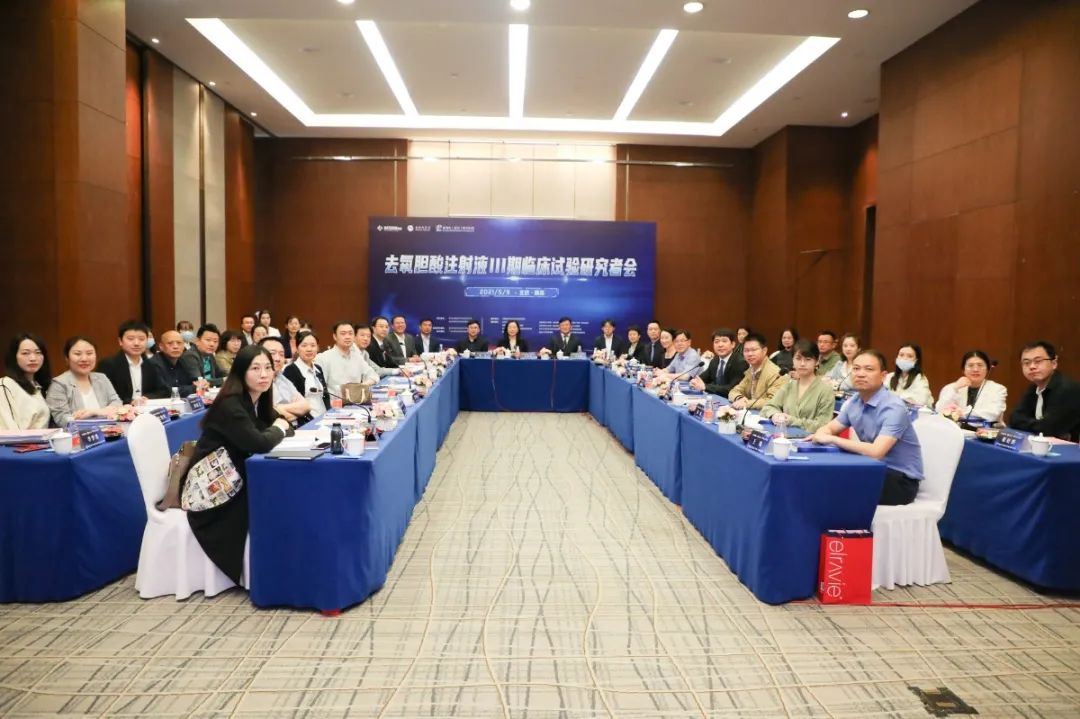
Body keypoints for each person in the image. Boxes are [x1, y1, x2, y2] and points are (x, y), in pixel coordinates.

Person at [183, 344, 291, 584]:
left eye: (268, 368)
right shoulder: (230, 404)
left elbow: (282, 427)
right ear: (241, 372)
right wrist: (278, 428)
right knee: (276, 495)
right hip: (214, 486)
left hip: (238, 473)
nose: (264, 374)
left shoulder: (258, 398)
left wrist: (278, 428)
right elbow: (261, 442)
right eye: (255, 368)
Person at [813, 349, 925, 506]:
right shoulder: (855, 401)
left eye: (869, 369)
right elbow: (828, 429)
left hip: (900, 480)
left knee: (835, 484)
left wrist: (832, 439)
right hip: (872, 468)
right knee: (822, 475)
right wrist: (824, 434)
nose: (860, 374)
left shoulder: (894, 407)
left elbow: (876, 452)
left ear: (883, 376)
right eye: (856, 368)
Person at [46, 336, 130, 426]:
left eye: (89, 353)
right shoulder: (59, 384)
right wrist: (105, 412)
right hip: (77, 434)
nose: (84, 359)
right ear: (67, 358)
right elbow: (62, 419)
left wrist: (95, 412)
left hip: (109, 431)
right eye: (77, 354)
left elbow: (117, 404)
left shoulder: (101, 378)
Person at [1008, 340, 1080, 441]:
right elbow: (1014, 419)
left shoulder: (1067, 389)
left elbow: (1048, 428)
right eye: (1026, 363)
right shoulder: (1033, 388)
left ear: (1054, 363)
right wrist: (1038, 424)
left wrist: (1031, 424)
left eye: (1038, 361)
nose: (1032, 367)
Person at [761, 339, 835, 432]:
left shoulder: (826, 391)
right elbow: (768, 407)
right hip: (784, 437)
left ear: (817, 362)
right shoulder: (789, 385)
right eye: (798, 359)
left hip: (810, 439)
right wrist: (775, 415)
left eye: (808, 359)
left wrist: (792, 421)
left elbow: (823, 425)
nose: (802, 364)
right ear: (793, 360)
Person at [98, 320, 170, 404]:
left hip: (146, 408)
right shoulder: (108, 365)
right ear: (120, 341)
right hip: (121, 410)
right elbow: (104, 396)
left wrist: (146, 398)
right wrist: (131, 402)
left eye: (141, 339)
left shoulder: (151, 364)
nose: (136, 343)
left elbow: (163, 391)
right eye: (130, 339)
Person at [935, 350, 1007, 423]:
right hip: (956, 428)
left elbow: (994, 414)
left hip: (987, 429)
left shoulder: (998, 389)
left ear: (987, 369)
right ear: (963, 370)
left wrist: (962, 412)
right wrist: (955, 389)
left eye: (980, 365)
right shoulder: (951, 387)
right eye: (970, 365)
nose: (975, 369)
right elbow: (939, 410)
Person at [1, 333, 52, 430]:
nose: (33, 358)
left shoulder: (39, 386)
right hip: (17, 440)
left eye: (38, 352)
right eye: (25, 353)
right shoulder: (6, 384)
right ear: (14, 356)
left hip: (42, 439)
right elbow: (8, 429)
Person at [317, 321, 379, 392]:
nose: (347, 337)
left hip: (356, 398)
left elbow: (374, 375)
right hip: (335, 398)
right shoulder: (324, 358)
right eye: (343, 334)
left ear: (354, 336)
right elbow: (320, 388)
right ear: (335, 336)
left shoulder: (357, 357)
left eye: (350, 333)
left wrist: (362, 386)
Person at [728, 333, 786, 410]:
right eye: (746, 350)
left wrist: (747, 403)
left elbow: (772, 401)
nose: (749, 354)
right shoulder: (750, 370)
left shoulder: (776, 374)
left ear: (764, 351)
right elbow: (734, 391)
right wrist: (739, 398)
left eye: (753, 350)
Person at [260, 337, 311, 423]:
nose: (278, 359)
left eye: (281, 354)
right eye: (272, 353)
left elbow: (306, 406)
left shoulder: (282, 377)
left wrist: (279, 409)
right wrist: (296, 411)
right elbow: (268, 416)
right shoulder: (259, 382)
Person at [283, 330, 329, 418]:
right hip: (306, 421)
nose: (309, 349)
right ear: (297, 348)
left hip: (324, 418)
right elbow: (291, 403)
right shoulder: (291, 370)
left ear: (317, 348)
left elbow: (325, 396)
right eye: (304, 346)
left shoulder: (318, 368)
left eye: (313, 345)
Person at [691, 328, 748, 397]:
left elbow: (732, 389)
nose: (720, 345)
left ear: (733, 344)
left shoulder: (740, 362)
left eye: (724, 341)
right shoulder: (715, 360)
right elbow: (703, 378)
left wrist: (706, 387)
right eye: (716, 342)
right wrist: (695, 381)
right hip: (716, 398)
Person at [149, 330, 202, 397]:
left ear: (183, 346)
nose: (175, 346)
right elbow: (166, 392)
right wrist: (194, 388)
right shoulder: (153, 364)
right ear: (161, 346)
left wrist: (201, 383)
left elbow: (193, 381)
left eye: (179, 343)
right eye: (170, 343)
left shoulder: (184, 361)